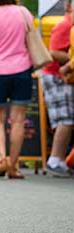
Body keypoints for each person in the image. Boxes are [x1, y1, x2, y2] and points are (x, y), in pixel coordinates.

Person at [0, 0, 33, 179]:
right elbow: (30, 40)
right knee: (18, 120)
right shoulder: (23, 12)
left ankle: (2, 158)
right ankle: (13, 166)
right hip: (22, 69)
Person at [44, 0, 74, 177]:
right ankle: (55, 160)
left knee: (67, 120)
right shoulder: (65, 25)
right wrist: (70, 62)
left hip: (60, 76)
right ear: (69, 8)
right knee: (65, 119)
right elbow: (53, 52)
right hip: (56, 76)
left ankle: (59, 160)